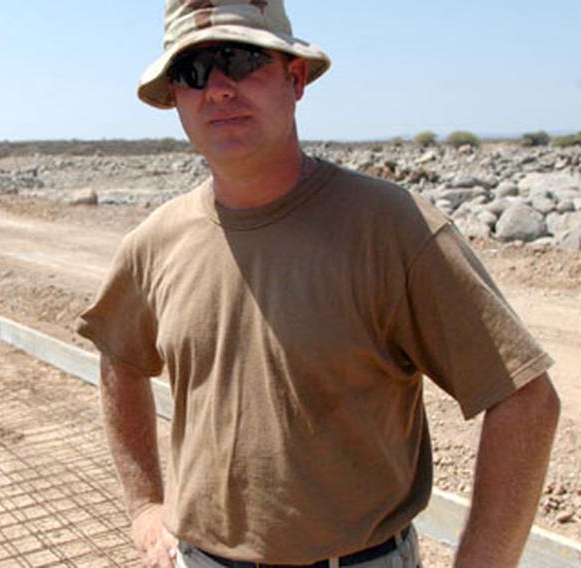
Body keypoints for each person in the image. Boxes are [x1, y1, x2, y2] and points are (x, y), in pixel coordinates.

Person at [77, 1, 561, 566]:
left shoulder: (391, 228)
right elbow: (119, 360)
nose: (218, 89)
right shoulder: (154, 242)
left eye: (239, 59)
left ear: (296, 76)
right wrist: (145, 505)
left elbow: (525, 399)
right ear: (176, 98)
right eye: (192, 71)